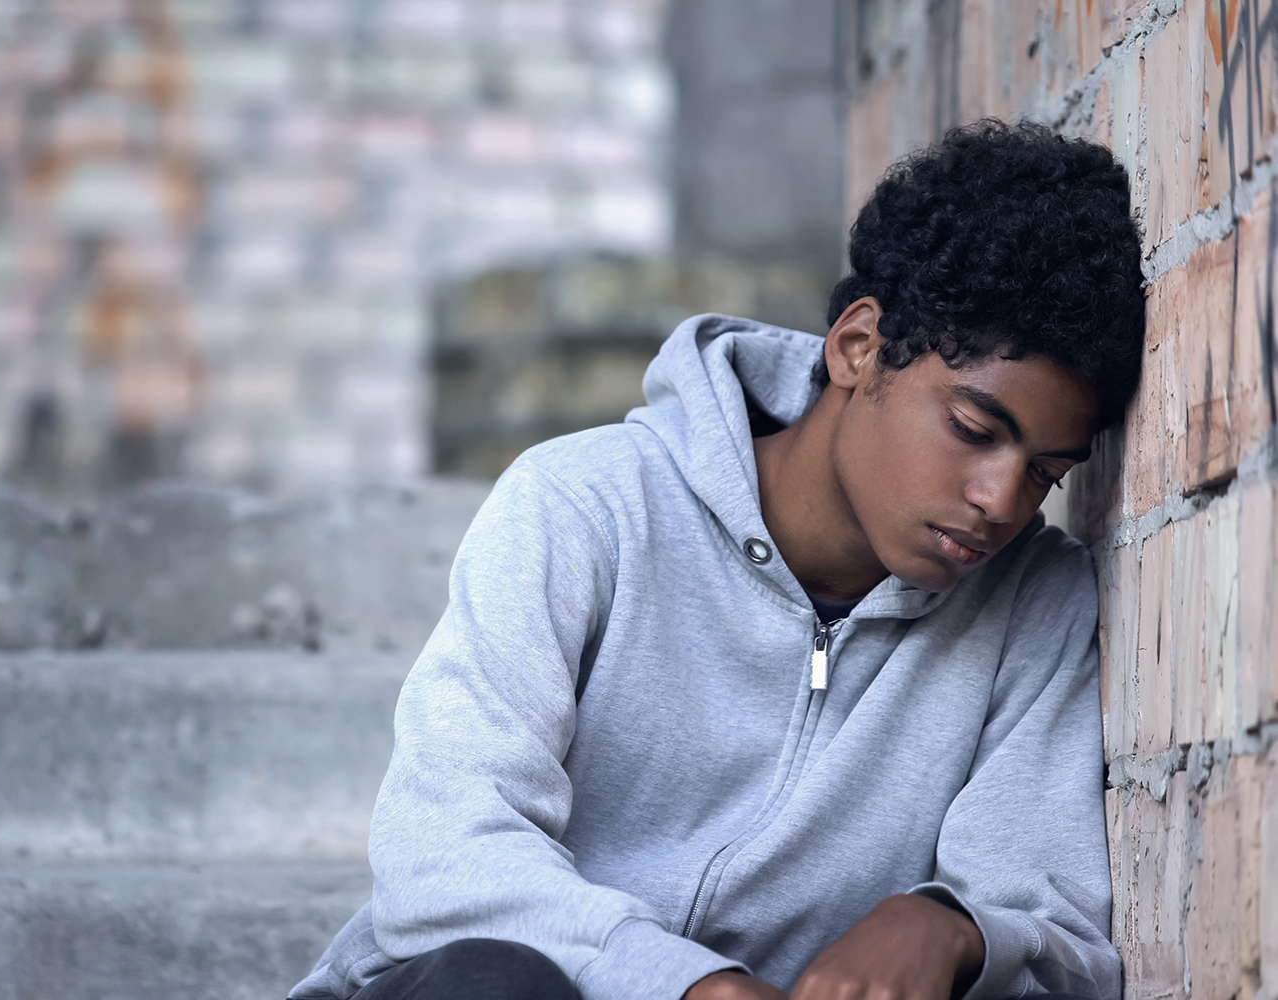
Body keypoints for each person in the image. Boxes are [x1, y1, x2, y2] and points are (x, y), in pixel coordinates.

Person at [289, 119, 1146, 1000]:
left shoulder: (1034, 604)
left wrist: (955, 928)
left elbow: (1059, 932)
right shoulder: (584, 506)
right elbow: (442, 852)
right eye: (972, 430)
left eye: (1045, 472)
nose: (1001, 501)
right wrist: (688, 984)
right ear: (858, 347)